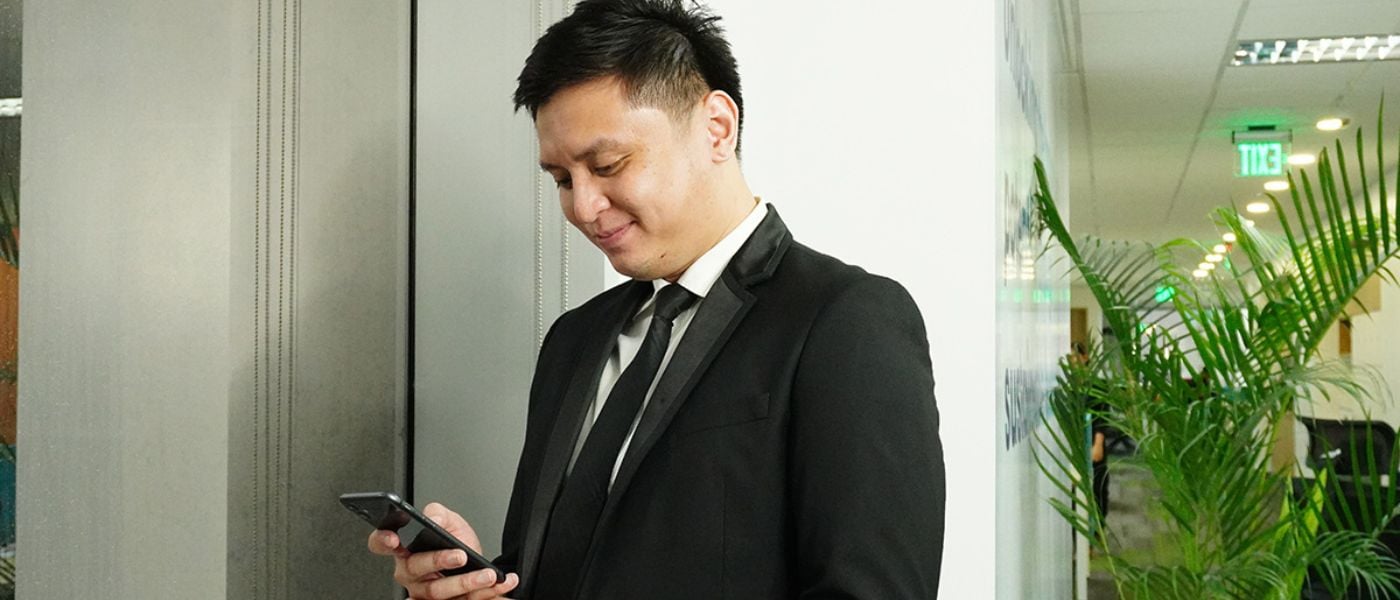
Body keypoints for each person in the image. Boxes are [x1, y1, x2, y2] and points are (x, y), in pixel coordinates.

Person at [368, 1, 945, 597]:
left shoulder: (846, 321)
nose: (582, 207)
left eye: (608, 165)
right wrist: (480, 586)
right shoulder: (574, 339)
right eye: (562, 179)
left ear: (716, 127)